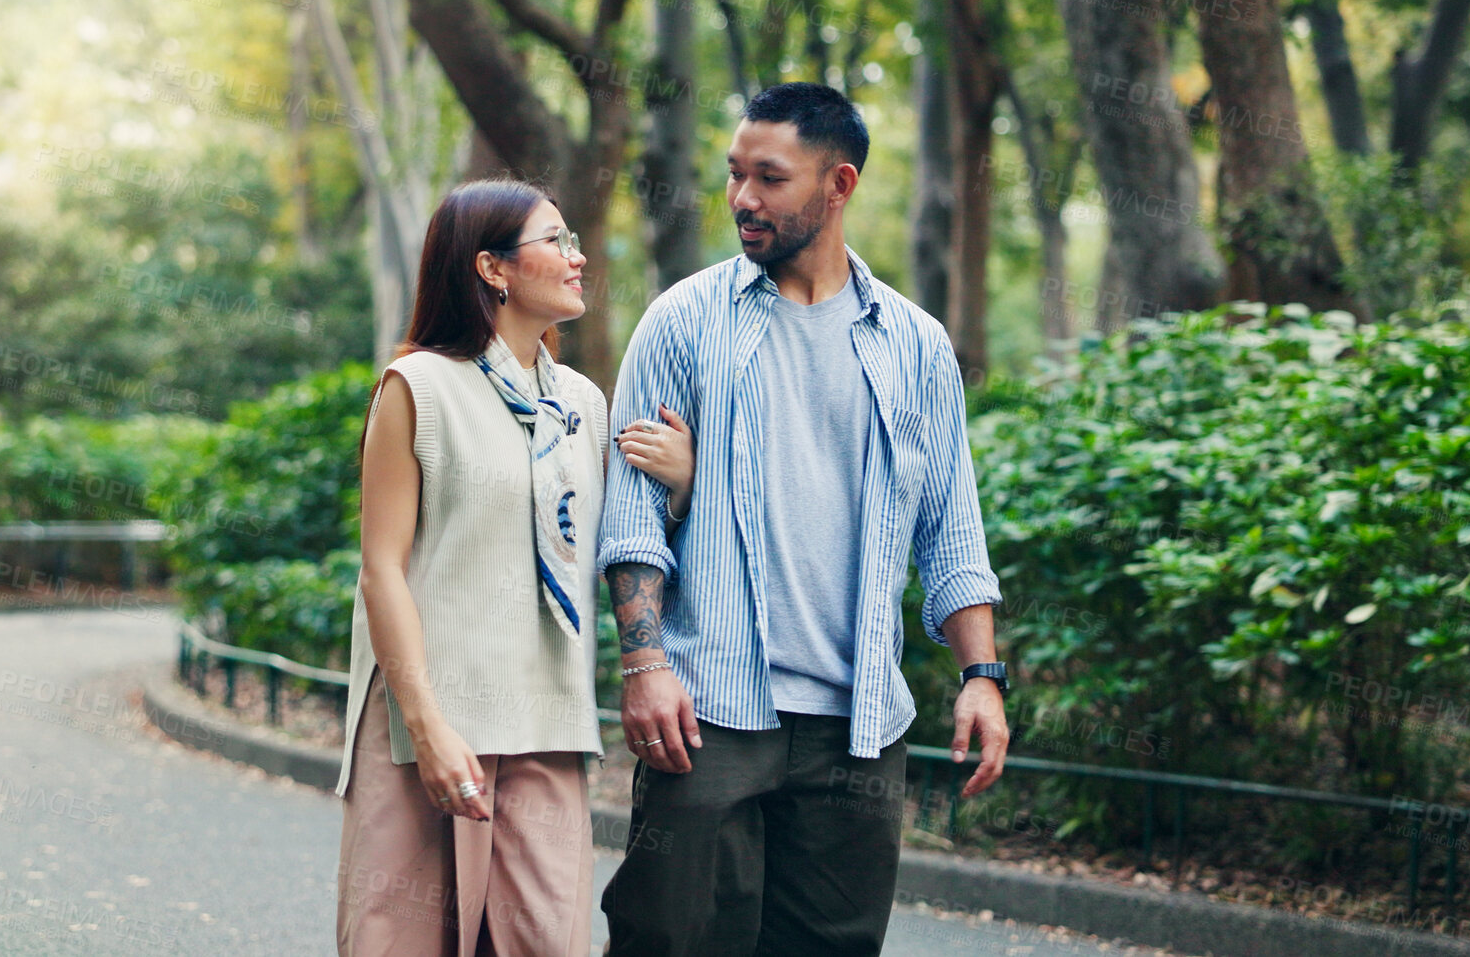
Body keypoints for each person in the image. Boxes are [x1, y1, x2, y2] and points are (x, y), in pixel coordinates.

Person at [597, 82, 1013, 956]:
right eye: (735, 174)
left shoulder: (914, 345)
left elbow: (950, 528)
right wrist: (644, 663)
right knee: (671, 940)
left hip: (858, 725)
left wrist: (983, 675)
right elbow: (631, 514)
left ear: (839, 184)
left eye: (770, 178)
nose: (743, 198)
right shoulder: (683, 322)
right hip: (708, 711)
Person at [335, 179, 697, 956]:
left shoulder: (581, 403)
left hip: (546, 715)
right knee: (401, 941)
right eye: (556, 241)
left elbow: (610, 541)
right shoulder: (419, 388)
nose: (578, 256)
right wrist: (427, 726)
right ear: (493, 269)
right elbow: (380, 571)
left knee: (544, 941)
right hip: (429, 713)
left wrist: (685, 480)